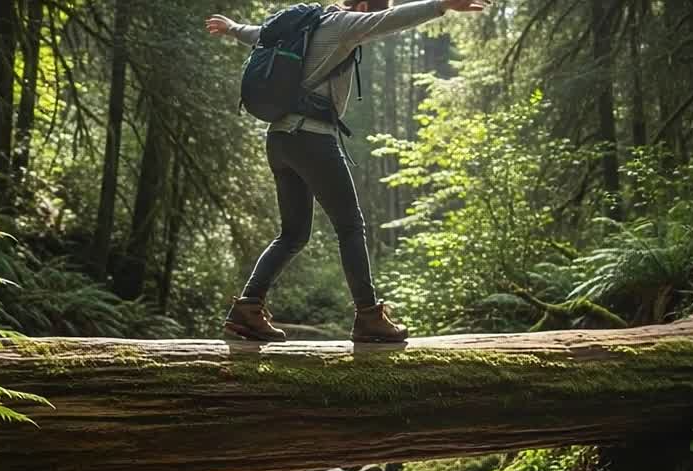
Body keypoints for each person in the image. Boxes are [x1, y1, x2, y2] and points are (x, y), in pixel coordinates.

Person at [207, 0, 488, 343]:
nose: (367, 21)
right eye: (369, 11)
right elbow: (390, 20)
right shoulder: (344, 24)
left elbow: (260, 34)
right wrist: (441, 5)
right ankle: (368, 316)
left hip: (279, 138)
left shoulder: (305, 25)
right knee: (351, 226)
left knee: (293, 235)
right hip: (311, 138)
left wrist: (232, 27)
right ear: (363, 6)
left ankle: (247, 309)